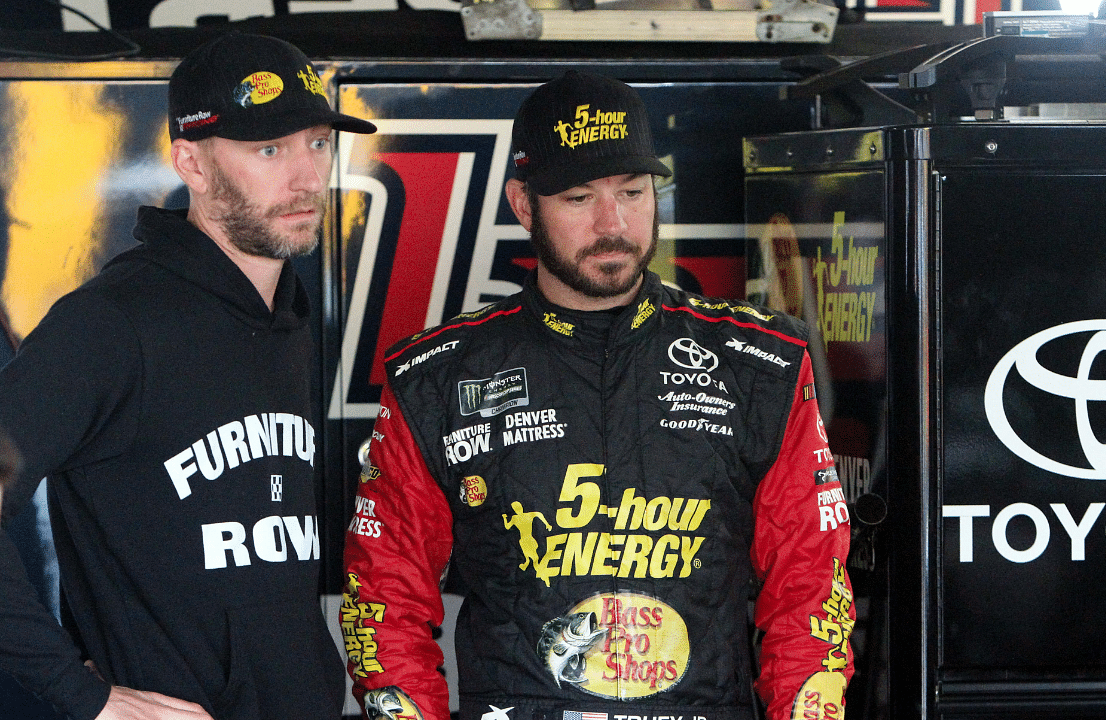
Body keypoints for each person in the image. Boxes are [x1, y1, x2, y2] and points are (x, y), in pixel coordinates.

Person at [343, 70, 855, 720]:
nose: (613, 223)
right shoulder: (439, 375)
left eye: (633, 192)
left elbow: (809, 583)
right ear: (524, 204)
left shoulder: (759, 363)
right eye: (580, 197)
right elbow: (384, 593)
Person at [0, 33, 375, 720]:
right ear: (191, 165)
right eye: (269, 150)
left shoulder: (289, 315)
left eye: (317, 143)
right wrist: (83, 696)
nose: (305, 177)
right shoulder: (112, 323)